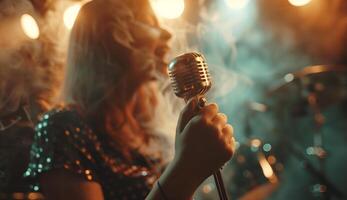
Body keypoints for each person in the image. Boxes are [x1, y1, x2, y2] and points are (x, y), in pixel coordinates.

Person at [24, 0, 236, 199]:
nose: (167, 34)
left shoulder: (147, 129)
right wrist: (186, 168)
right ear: (110, 39)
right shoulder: (62, 128)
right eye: (149, 23)